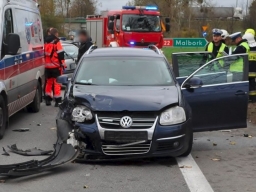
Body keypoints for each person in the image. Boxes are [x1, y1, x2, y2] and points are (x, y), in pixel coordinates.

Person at [44, 28, 66, 107]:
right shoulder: (57, 41)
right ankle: (57, 100)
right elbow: (60, 54)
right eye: (57, 33)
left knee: (49, 83)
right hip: (55, 66)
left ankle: (47, 99)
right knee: (57, 83)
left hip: (47, 66)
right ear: (55, 34)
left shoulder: (46, 41)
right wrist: (63, 64)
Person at [243, 32, 256, 102]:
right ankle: (253, 98)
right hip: (254, 69)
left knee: (247, 84)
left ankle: (249, 98)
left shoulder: (247, 47)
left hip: (248, 68)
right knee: (252, 83)